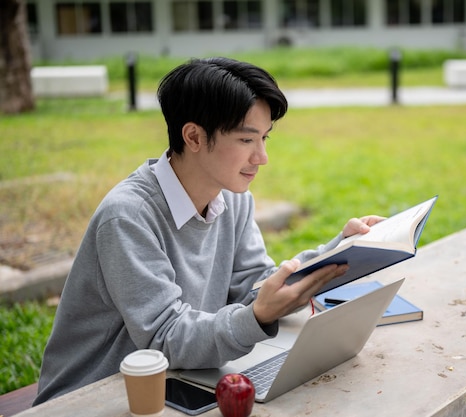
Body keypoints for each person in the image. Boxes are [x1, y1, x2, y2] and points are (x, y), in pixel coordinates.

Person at [34, 57, 383, 404]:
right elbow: (165, 337)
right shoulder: (128, 216)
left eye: (264, 138)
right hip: (93, 397)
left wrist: (338, 253)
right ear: (194, 136)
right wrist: (256, 316)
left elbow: (254, 286)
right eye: (247, 140)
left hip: (178, 382)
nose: (261, 157)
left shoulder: (232, 199)